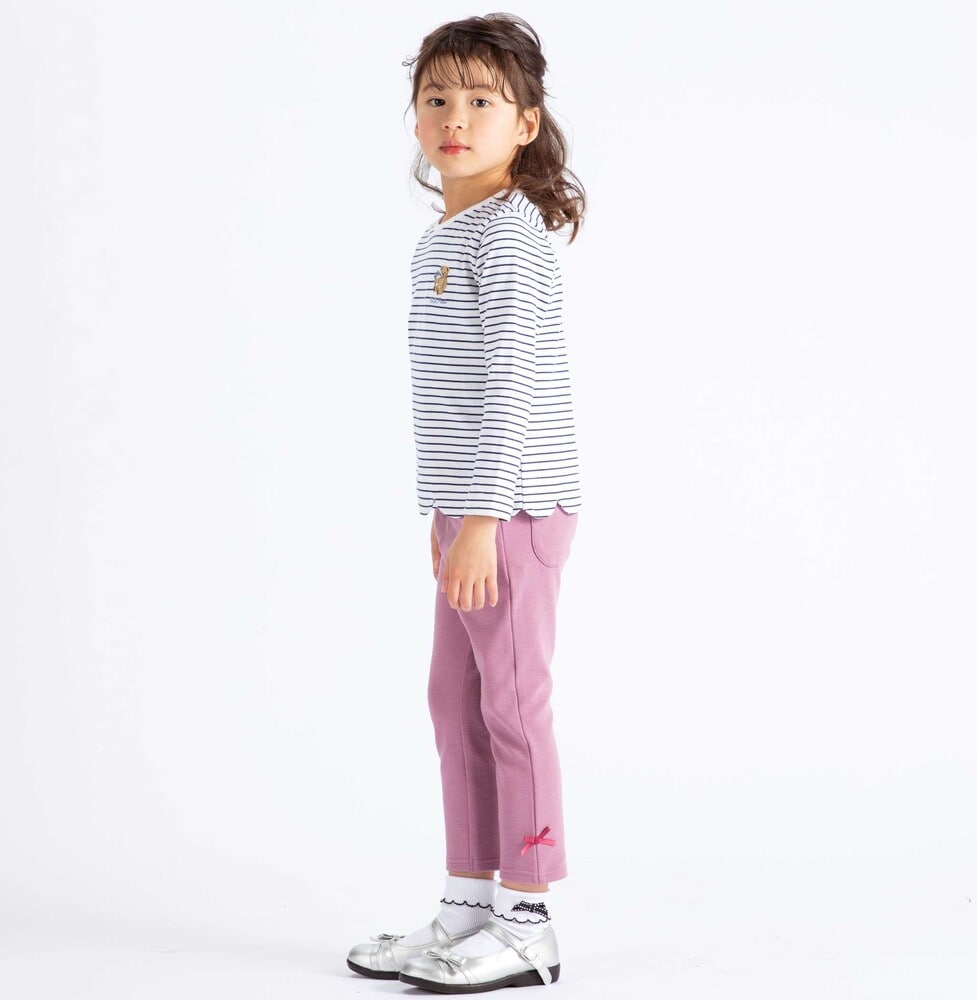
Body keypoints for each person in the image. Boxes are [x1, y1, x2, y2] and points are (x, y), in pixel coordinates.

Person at [347, 13, 586, 993]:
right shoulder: (449, 235)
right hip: (470, 513)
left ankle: (527, 920)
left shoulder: (512, 239)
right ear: (414, 118)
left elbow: (512, 387)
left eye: (481, 100)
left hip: (515, 512)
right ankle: (466, 905)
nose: (455, 116)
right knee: (455, 703)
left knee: (512, 708)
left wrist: (481, 521)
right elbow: (452, 395)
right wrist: (445, 516)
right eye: (436, 98)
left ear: (524, 124)